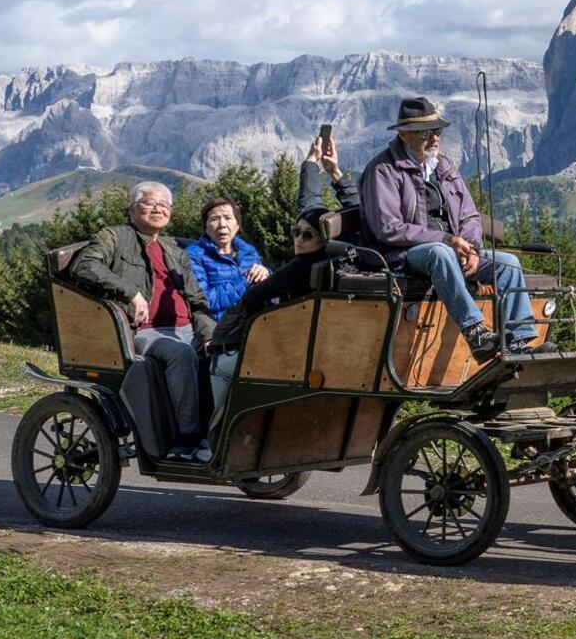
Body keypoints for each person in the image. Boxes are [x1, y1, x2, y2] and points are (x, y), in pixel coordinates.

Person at [359, 96, 535, 362]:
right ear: (404, 134)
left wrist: (473, 249)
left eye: (437, 131)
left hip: (453, 248)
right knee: (438, 253)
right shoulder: (382, 170)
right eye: (425, 133)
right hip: (402, 255)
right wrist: (447, 240)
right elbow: (388, 228)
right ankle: (476, 332)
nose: (434, 138)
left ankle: (519, 341)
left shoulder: (445, 166)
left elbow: (469, 215)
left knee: (508, 263)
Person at [206, 134, 365, 407]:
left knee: (219, 365)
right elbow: (335, 209)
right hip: (327, 349)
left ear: (323, 240)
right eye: (296, 232)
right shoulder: (342, 259)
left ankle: (217, 435)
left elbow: (253, 298)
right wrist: (322, 168)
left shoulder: (297, 269)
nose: (298, 239)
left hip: (292, 351)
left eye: (307, 235)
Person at [67, 181, 215, 458]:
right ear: (133, 210)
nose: (158, 208)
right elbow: (84, 266)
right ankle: (187, 440)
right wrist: (131, 291)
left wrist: (209, 336)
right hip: (145, 331)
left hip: (185, 328)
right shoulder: (115, 236)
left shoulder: (174, 252)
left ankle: (218, 436)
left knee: (227, 353)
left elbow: (197, 300)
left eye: (164, 205)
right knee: (181, 354)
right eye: (150, 203)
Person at [184, 198, 270, 316]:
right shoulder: (194, 255)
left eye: (228, 218)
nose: (222, 225)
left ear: (237, 224)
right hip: (223, 325)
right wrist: (245, 281)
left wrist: (266, 274)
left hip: (260, 318)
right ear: (205, 226)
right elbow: (204, 300)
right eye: (214, 219)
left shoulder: (248, 251)